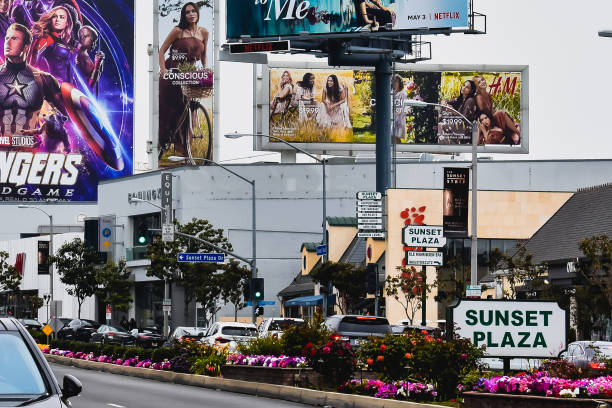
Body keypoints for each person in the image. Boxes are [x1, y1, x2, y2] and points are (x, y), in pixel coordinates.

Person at [158, 2, 209, 156]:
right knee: (168, 109)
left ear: (198, 13)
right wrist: (163, 70)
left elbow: (204, 53)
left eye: (193, 11)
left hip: (190, 73)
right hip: (172, 73)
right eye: (187, 12)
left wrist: (205, 69)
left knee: (187, 108)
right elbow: (162, 51)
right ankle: (163, 141)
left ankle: (184, 149)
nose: (191, 14)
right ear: (184, 15)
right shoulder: (178, 31)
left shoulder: (204, 33)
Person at [0, 23, 67, 137]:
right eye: (7, 38)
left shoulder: (45, 80)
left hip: (31, 150)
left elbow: (64, 117)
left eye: (14, 38)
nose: (8, 42)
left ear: (26, 46)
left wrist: (43, 129)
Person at [29, 5, 77, 83]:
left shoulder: (65, 43)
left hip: (66, 87)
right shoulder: (46, 38)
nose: (57, 20)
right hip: (51, 86)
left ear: (67, 23)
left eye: (62, 17)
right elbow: (33, 64)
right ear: (50, 19)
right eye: (54, 17)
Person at [472, 74, 521, 143]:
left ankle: (514, 132)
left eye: (482, 80)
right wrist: (498, 116)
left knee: (501, 113)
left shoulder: (488, 95)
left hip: (490, 117)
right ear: (477, 86)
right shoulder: (478, 97)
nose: (482, 82)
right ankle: (518, 133)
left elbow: (492, 110)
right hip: (485, 120)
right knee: (501, 113)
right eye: (479, 82)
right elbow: (483, 113)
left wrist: (502, 116)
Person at [75, 25, 104, 92]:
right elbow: (88, 86)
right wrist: (97, 66)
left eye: (95, 41)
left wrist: (100, 64)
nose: (94, 44)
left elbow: (96, 80)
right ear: (83, 37)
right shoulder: (77, 56)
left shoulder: (84, 54)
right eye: (92, 40)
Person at [392, 74, 407, 142]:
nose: (394, 83)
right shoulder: (392, 93)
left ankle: (399, 151)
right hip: (393, 117)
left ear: (399, 83)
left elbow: (402, 107)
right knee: (392, 137)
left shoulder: (402, 94)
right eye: (393, 81)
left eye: (396, 82)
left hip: (399, 119)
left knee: (397, 137)